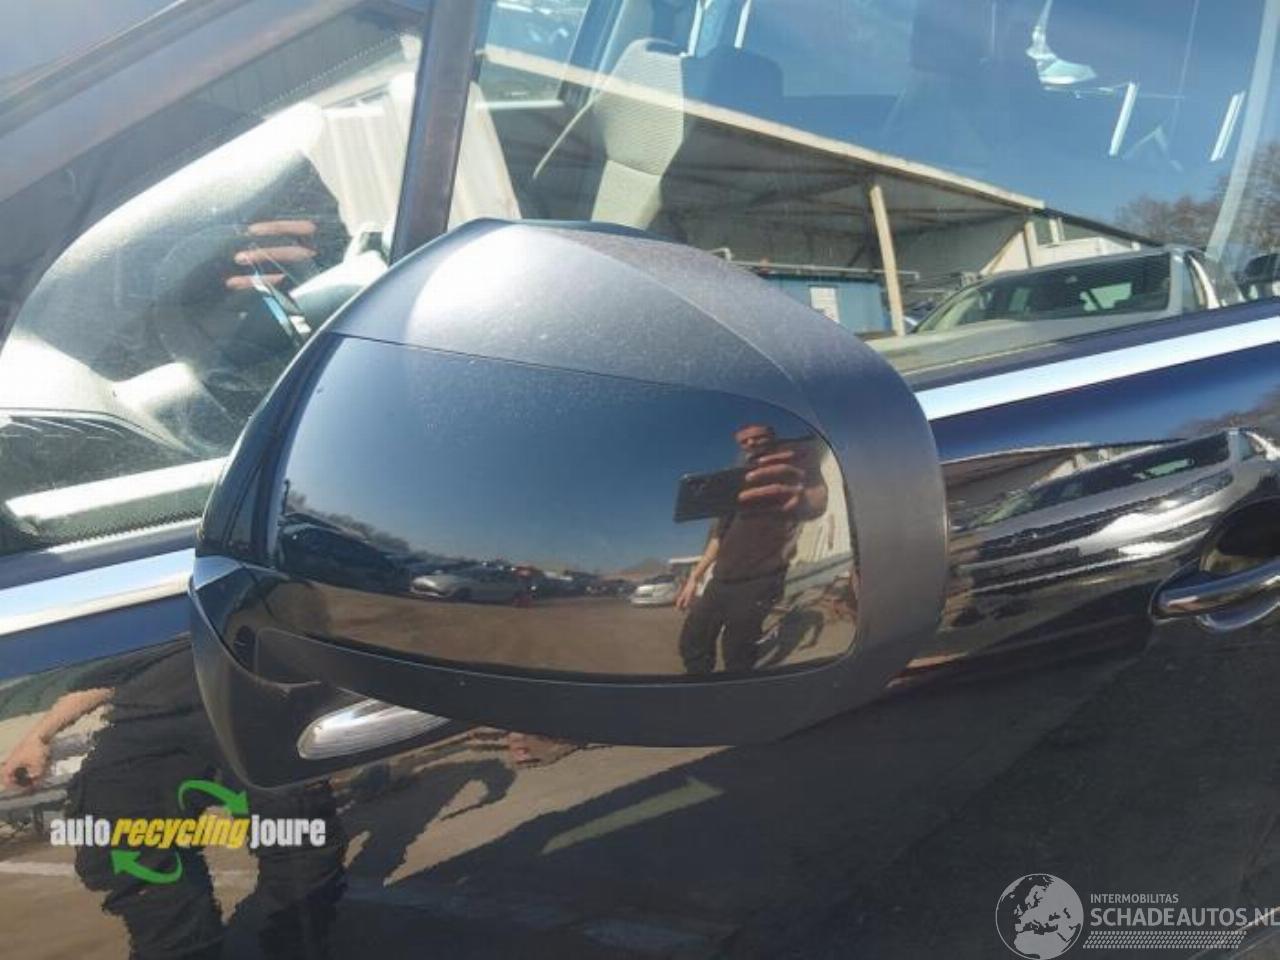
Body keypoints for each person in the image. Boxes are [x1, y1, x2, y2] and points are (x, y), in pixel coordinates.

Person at [676, 423, 828, 674]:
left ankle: (737, 688)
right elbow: (718, 536)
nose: (751, 444)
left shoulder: (794, 458)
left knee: (738, 647)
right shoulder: (736, 480)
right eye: (744, 441)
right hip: (720, 579)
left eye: (758, 437)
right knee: (693, 639)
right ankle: (699, 684)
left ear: (772, 435)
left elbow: (817, 499)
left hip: (760, 578)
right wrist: (695, 577)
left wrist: (804, 499)